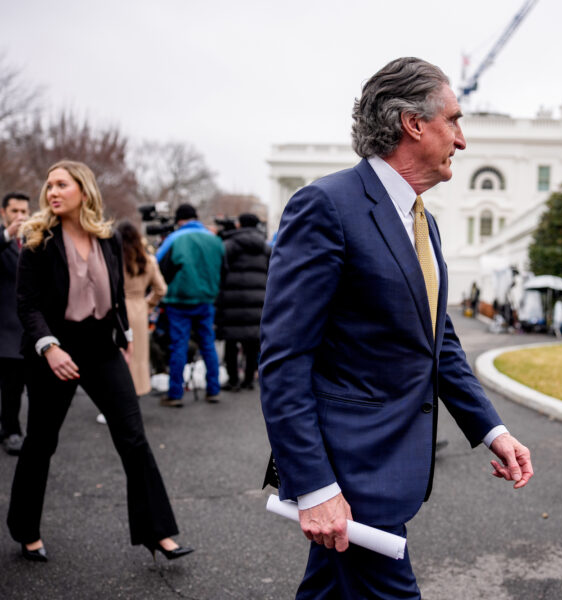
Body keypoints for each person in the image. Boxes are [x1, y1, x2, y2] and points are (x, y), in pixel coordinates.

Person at [260, 57, 533, 599]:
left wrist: (492, 431)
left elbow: (438, 341)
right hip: (349, 474)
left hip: (389, 471)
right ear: (413, 123)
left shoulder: (424, 220)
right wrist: (314, 486)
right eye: (453, 121)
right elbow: (284, 360)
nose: (462, 139)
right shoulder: (326, 206)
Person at [7, 160, 192, 562]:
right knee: (41, 442)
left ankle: (157, 532)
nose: (53, 191)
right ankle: (25, 529)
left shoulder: (107, 238)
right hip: (53, 348)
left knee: (133, 437)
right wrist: (49, 347)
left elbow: (116, 290)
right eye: (49, 185)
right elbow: (27, 303)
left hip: (101, 348)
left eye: (62, 184)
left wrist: (123, 334)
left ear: (84, 191)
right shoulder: (36, 238)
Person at [155, 203, 225, 407]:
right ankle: (213, 390)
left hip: (179, 300)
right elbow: (223, 268)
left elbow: (158, 267)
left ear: (180, 220)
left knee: (179, 345)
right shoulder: (214, 239)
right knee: (208, 344)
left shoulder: (174, 239)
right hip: (206, 299)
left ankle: (175, 393)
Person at [0, 192, 31, 455]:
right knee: (10, 386)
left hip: (31, 326)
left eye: (24, 211)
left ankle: (17, 430)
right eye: (15, 211)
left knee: (31, 385)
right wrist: (7, 235)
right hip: (4, 324)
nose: (20, 216)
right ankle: (11, 430)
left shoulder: (33, 240)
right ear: (4, 212)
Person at [216, 213, 269, 392]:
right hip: (257, 301)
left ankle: (233, 380)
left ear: (239, 225)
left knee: (231, 342)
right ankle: (248, 379)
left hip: (232, 300)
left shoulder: (228, 245)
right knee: (252, 343)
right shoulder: (265, 247)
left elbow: (220, 270)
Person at [118, 220, 167, 396]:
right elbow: (161, 289)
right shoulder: (147, 261)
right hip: (139, 309)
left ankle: (117, 396)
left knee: (117, 355)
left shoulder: (113, 260)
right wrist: (148, 304)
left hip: (116, 308)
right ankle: (136, 392)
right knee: (138, 355)